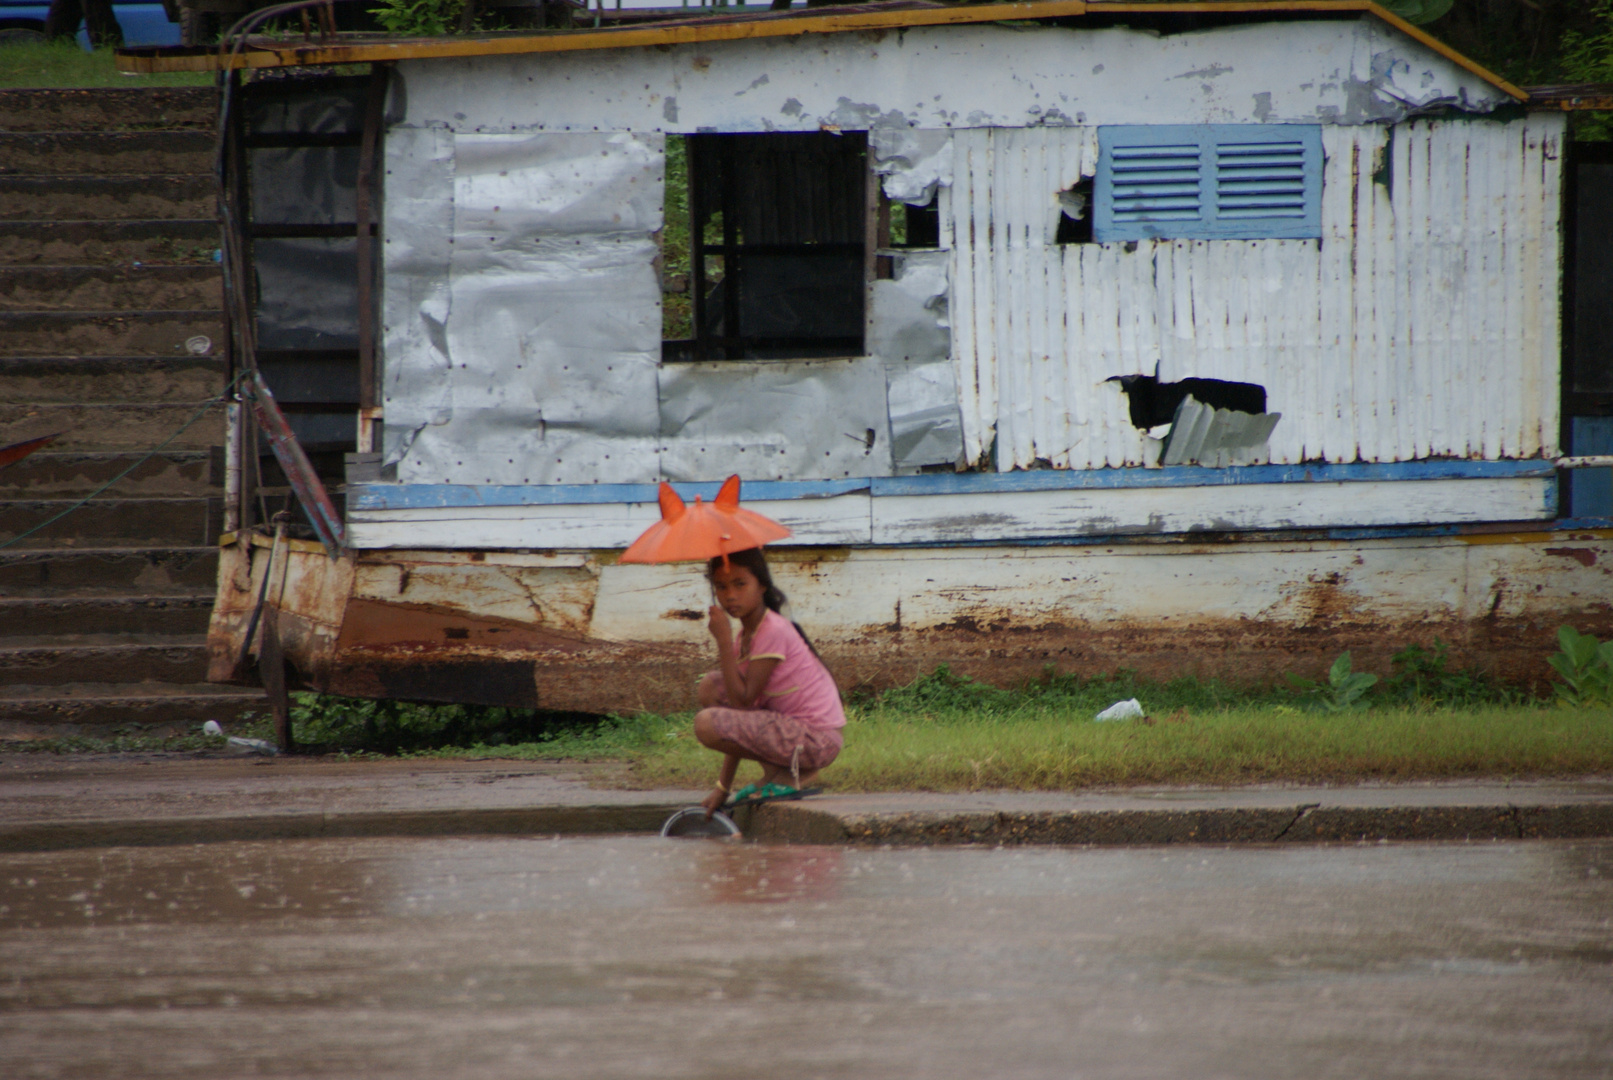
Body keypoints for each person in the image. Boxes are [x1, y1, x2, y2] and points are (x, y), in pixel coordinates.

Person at [694, 547, 845, 817]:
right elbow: (742, 717)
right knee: (711, 687)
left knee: (707, 724)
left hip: (816, 741)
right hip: (792, 733)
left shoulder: (771, 629)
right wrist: (722, 787)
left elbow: (742, 703)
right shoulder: (746, 636)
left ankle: (797, 774)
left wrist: (724, 642)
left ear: (762, 584)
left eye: (740, 584)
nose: (730, 595)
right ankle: (778, 774)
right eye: (721, 586)